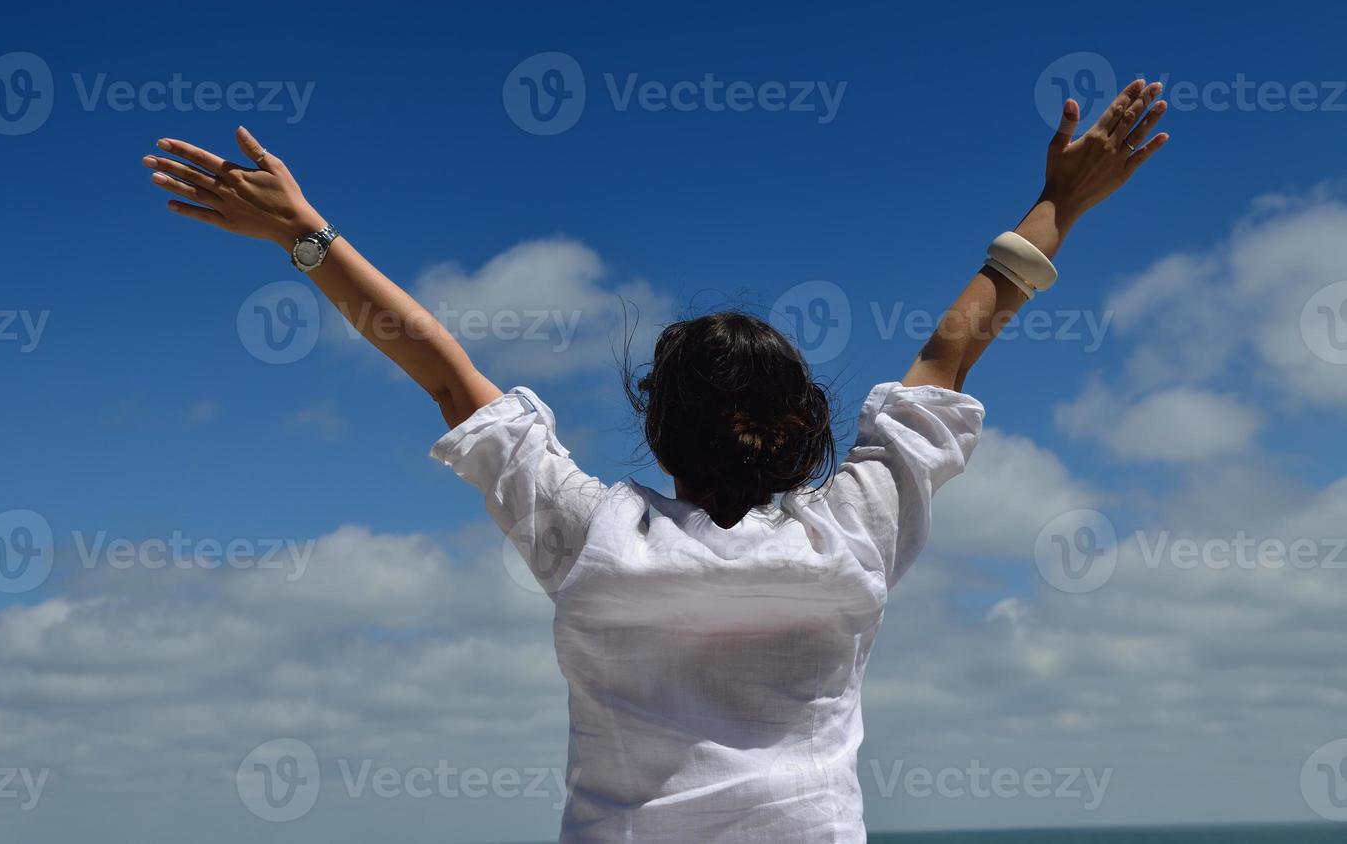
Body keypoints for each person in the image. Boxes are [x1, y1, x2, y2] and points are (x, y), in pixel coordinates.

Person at [141, 79, 1169, 842]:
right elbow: (954, 344)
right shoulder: (850, 530)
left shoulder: (595, 534)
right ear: (802, 427)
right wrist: (1060, 204)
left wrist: (306, 237)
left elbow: (444, 370)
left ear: (660, 429)